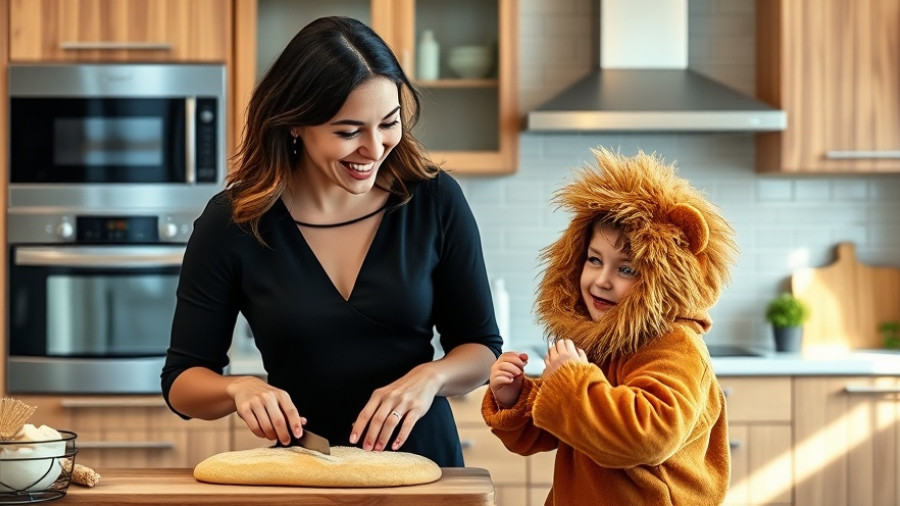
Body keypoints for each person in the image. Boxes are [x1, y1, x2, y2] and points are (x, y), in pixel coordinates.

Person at [161, 16, 502, 467]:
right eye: (348, 132)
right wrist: (237, 387)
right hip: (306, 471)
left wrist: (432, 377)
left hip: (424, 470)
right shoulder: (234, 222)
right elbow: (183, 381)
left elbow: (480, 347)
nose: (375, 148)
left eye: (389, 123)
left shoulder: (433, 199)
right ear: (295, 124)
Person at [482, 148, 738, 505]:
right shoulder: (605, 342)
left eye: (626, 269)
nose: (602, 280)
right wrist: (517, 399)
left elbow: (647, 434)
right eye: (594, 260)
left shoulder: (675, 347)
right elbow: (566, 423)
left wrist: (572, 383)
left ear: (663, 280)